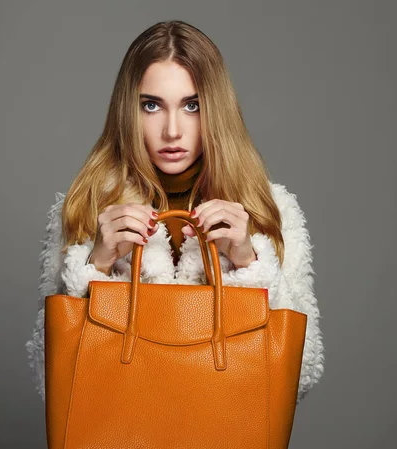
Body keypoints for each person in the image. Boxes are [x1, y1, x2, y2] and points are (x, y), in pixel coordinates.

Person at [25, 20, 324, 405]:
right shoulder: (88, 207)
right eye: (151, 105)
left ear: (216, 109)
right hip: (122, 432)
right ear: (127, 111)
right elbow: (49, 379)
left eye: (192, 105)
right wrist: (94, 267)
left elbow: (300, 373)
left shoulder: (270, 208)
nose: (171, 130)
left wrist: (248, 263)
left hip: (225, 430)